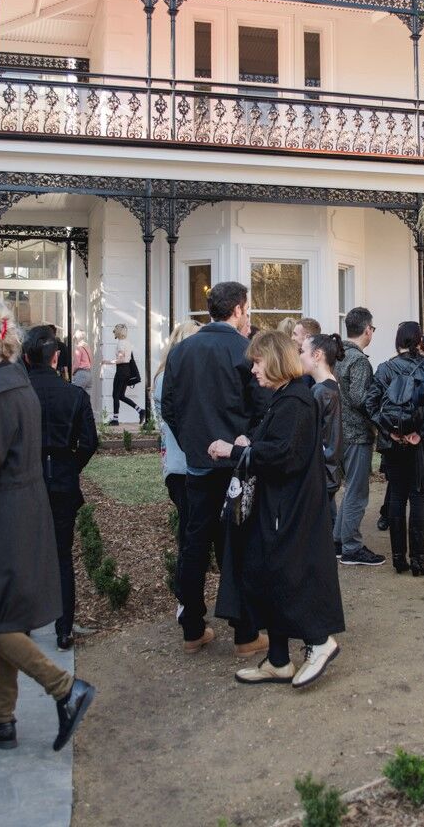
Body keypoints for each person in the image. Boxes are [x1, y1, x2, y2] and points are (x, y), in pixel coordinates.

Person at [0, 299, 95, 752]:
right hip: (24, 508)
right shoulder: (16, 385)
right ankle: (0, 717)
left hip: (2, 514)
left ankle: (65, 688)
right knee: (4, 611)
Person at [209, 330, 345, 688]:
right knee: (268, 573)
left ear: (273, 360)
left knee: (287, 575)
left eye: (257, 361)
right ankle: (279, 660)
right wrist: (250, 442)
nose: (253, 369)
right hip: (281, 505)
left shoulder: (295, 401)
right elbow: (279, 445)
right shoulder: (286, 398)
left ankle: (319, 641)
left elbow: (285, 456)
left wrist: (234, 450)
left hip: (290, 508)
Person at [160, 281, 266, 656]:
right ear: (238, 309)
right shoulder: (245, 350)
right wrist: (246, 442)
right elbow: (260, 406)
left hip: (200, 464)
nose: (248, 314)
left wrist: (191, 442)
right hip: (234, 465)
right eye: (247, 308)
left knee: (194, 543)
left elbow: (168, 406)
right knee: (236, 544)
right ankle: (245, 632)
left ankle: (192, 627)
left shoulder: (182, 351)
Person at [25, 324, 99, 651]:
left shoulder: (18, 392)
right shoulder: (74, 395)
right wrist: (70, 466)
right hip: (61, 479)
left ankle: (22, 622)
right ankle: (64, 627)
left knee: (25, 553)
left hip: (25, 480)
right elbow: (89, 442)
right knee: (61, 556)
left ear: (27, 357)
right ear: (56, 357)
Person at [368, 322, 424, 576]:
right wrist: (420, 433)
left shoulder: (386, 368)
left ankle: (399, 558)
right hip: (423, 443)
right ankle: (418, 561)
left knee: (397, 497)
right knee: (420, 496)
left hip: (393, 442)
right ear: (421, 339)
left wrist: (389, 431)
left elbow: (370, 403)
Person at [333, 307, 384, 566]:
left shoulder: (337, 355)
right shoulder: (359, 360)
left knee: (349, 489)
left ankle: (339, 541)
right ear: (367, 330)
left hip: (337, 433)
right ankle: (351, 546)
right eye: (373, 329)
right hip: (356, 434)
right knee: (357, 492)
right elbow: (359, 398)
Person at [154, 321, 201, 560]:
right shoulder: (168, 378)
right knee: (189, 531)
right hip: (180, 463)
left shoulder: (175, 374)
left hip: (185, 461)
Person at [300, 332, 344, 503]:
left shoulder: (321, 392)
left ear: (317, 355)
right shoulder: (329, 386)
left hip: (320, 476)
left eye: (302, 351)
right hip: (327, 474)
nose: (300, 356)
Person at [104, 324, 143, 425]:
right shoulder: (128, 343)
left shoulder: (121, 343)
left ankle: (115, 419)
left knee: (115, 395)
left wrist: (107, 362)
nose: (114, 332)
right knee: (121, 395)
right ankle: (140, 410)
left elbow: (120, 359)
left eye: (115, 331)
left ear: (118, 332)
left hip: (121, 370)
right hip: (127, 371)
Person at [71, 329, 94, 394]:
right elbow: (91, 361)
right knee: (86, 399)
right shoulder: (87, 347)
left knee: (76, 396)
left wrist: (72, 373)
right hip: (89, 374)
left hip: (81, 374)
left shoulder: (78, 348)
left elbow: (76, 364)